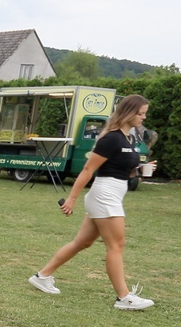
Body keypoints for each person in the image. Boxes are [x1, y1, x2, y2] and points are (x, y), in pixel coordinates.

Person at [28, 94, 154, 310]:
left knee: (82, 242)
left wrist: (142, 168)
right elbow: (88, 169)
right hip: (104, 194)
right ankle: (124, 297)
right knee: (116, 245)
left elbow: (124, 169)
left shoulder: (130, 138)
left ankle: (42, 276)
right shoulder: (111, 139)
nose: (143, 118)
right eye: (140, 113)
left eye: (144, 114)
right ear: (128, 113)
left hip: (112, 193)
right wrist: (71, 199)